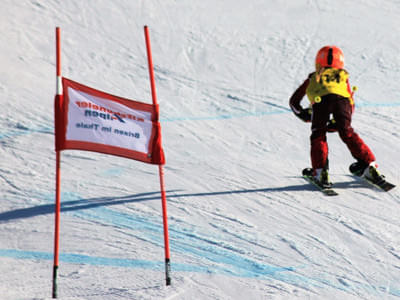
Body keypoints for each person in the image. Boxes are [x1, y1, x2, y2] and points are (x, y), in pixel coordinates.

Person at [289, 45, 382, 187]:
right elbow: (350, 103)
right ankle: (370, 165)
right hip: (343, 102)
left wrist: (305, 115)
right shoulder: (343, 76)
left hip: (321, 104)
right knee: (348, 133)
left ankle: (320, 173)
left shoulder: (313, 77)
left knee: (318, 135)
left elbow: (294, 102)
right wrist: (341, 123)